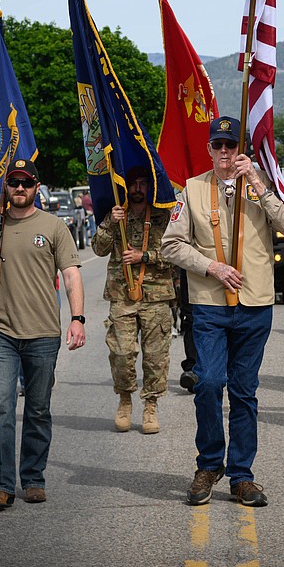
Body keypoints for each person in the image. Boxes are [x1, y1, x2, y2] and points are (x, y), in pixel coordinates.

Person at [162, 116, 284, 507]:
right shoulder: (191, 189)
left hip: (254, 304)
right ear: (209, 150)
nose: (225, 153)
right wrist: (212, 267)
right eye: (218, 146)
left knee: (243, 391)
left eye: (231, 145)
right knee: (206, 382)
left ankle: (242, 475)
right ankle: (208, 464)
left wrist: (255, 181)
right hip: (209, 304)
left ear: (241, 149)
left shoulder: (259, 186)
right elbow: (171, 244)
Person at [0, 158, 86, 508]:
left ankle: (33, 478)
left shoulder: (54, 227)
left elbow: (71, 275)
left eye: (26, 183)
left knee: (37, 409)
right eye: (13, 183)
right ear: (6, 188)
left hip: (43, 334)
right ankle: (2, 484)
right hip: (1, 333)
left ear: (37, 187)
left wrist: (78, 318)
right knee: (1, 407)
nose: (19, 188)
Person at [92, 167, 176, 434]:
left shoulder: (164, 216)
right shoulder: (118, 215)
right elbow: (98, 248)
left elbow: (176, 254)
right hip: (122, 295)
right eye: (133, 183)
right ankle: (125, 400)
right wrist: (109, 222)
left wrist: (145, 256)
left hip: (157, 295)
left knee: (155, 357)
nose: (138, 188)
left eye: (143, 183)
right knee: (121, 352)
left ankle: (150, 405)